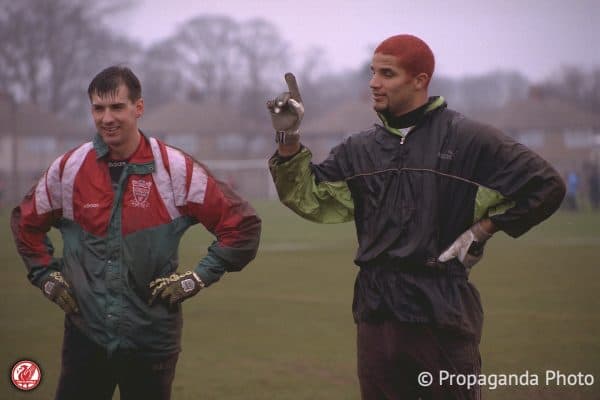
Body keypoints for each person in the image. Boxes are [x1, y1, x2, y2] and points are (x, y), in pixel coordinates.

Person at [267, 34, 565, 399]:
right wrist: (288, 135)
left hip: (442, 313)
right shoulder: (357, 150)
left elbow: (546, 185)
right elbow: (306, 196)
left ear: (420, 80)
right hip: (376, 315)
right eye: (373, 72)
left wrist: (485, 229)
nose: (374, 83)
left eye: (387, 74)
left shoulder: (471, 140)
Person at [11, 66, 261, 400]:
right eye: (98, 108)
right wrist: (46, 277)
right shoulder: (68, 170)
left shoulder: (175, 170)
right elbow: (25, 222)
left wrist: (197, 278)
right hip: (86, 336)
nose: (107, 118)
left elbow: (242, 225)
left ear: (138, 108)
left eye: (117, 107)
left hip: (152, 340)